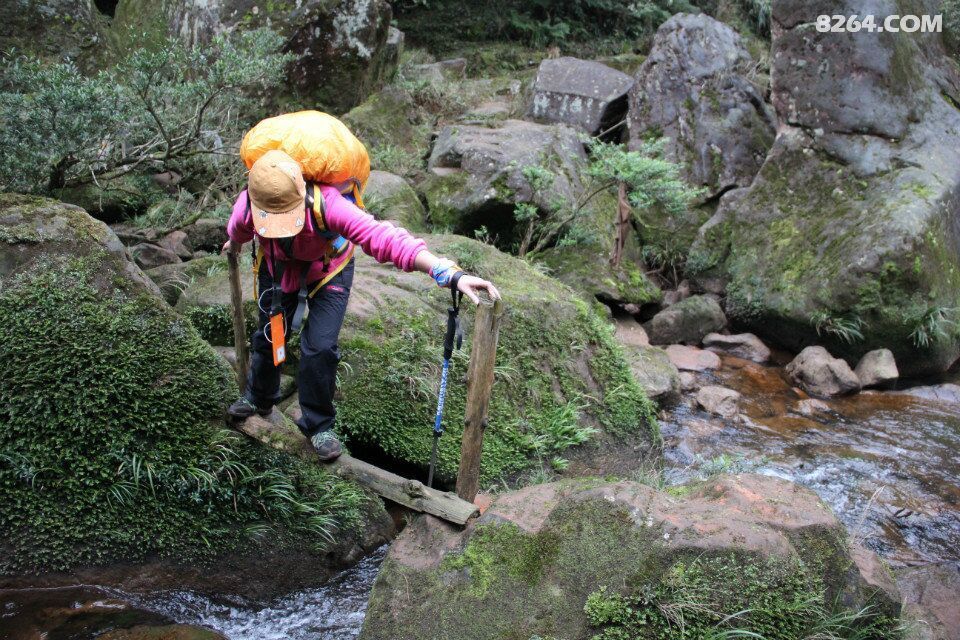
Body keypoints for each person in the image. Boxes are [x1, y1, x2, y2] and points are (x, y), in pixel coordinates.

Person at [223, 150, 501, 461]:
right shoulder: (249, 204)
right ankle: (258, 398)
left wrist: (447, 272)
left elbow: (383, 237)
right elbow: (238, 230)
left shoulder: (328, 205)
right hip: (278, 266)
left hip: (330, 270)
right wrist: (233, 245)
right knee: (269, 334)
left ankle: (318, 427)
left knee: (321, 347)